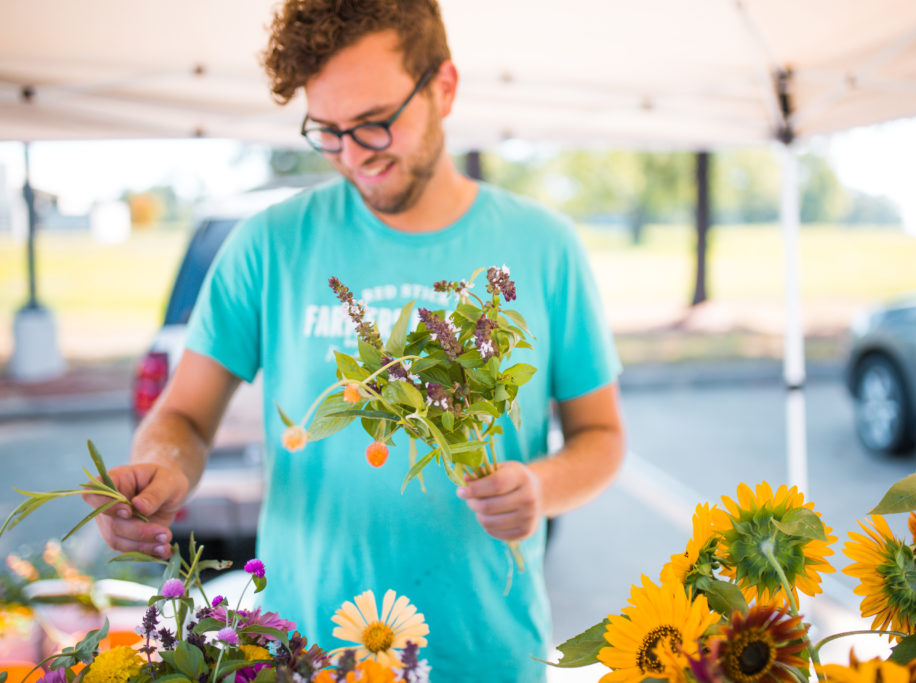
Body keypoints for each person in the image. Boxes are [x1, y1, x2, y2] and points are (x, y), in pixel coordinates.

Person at [90, 1, 624, 679]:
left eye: (374, 123)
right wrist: (163, 469)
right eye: (329, 131)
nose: (353, 155)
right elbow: (185, 416)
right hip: (302, 656)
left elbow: (601, 436)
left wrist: (541, 486)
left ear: (444, 87)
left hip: (488, 655)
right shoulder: (269, 246)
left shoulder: (545, 247)